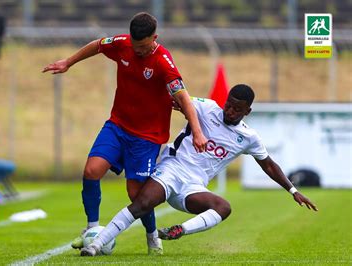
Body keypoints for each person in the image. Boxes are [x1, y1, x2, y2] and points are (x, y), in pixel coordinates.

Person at [80, 84, 318, 256]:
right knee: (142, 204)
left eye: (237, 109)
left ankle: (178, 231)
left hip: (194, 186)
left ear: (248, 112)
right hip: (172, 169)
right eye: (229, 105)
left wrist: (292, 190)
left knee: (223, 207)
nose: (230, 111)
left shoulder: (248, 137)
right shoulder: (205, 107)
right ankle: (95, 245)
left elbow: (268, 164)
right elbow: (175, 99)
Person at [42, 12, 207, 255]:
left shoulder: (163, 62)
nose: (137, 50)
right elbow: (98, 45)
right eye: (134, 44)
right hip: (118, 126)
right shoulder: (123, 44)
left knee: (137, 194)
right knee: (91, 171)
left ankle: (152, 237)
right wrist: (69, 62)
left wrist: (197, 131)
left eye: (142, 46)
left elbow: (183, 96)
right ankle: (91, 229)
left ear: (154, 38)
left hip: (147, 137)